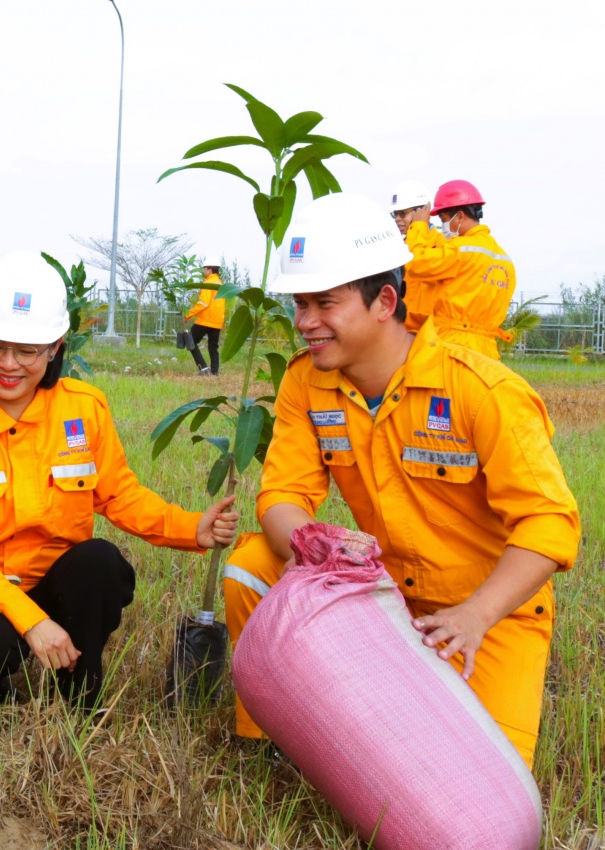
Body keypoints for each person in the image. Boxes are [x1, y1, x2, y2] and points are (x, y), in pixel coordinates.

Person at [221, 193, 578, 769]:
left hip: (487, 612)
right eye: (299, 304)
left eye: (323, 304)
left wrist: (476, 614)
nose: (305, 323)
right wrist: (314, 550)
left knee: (474, 783)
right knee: (253, 564)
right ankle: (274, 734)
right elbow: (284, 494)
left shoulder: (480, 390)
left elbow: (549, 523)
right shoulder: (307, 384)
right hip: (380, 591)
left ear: (385, 300)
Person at [0, 252, 238, 706]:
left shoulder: (85, 409)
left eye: (27, 351)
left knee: (102, 565)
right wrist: (28, 620)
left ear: (55, 347)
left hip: (55, 582)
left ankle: (80, 690)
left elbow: (120, 495)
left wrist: (190, 528)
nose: (8, 364)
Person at [403, 179, 516, 359]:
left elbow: (414, 263)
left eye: (444, 220)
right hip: (487, 350)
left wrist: (418, 226)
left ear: (461, 216)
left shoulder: (459, 250)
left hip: (454, 346)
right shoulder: (505, 260)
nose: (443, 227)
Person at [388, 181, 437, 334]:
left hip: (427, 331)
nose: (397, 219)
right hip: (400, 329)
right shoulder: (398, 247)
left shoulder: (440, 245)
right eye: (395, 214)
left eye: (402, 213)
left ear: (423, 212)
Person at [183, 262, 226, 375]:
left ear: (210, 269)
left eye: (204, 269)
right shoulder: (220, 283)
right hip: (217, 321)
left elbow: (203, 303)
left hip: (205, 320)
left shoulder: (208, 283)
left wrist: (188, 314)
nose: (203, 271)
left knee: (190, 341)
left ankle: (203, 369)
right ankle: (214, 372)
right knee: (213, 347)